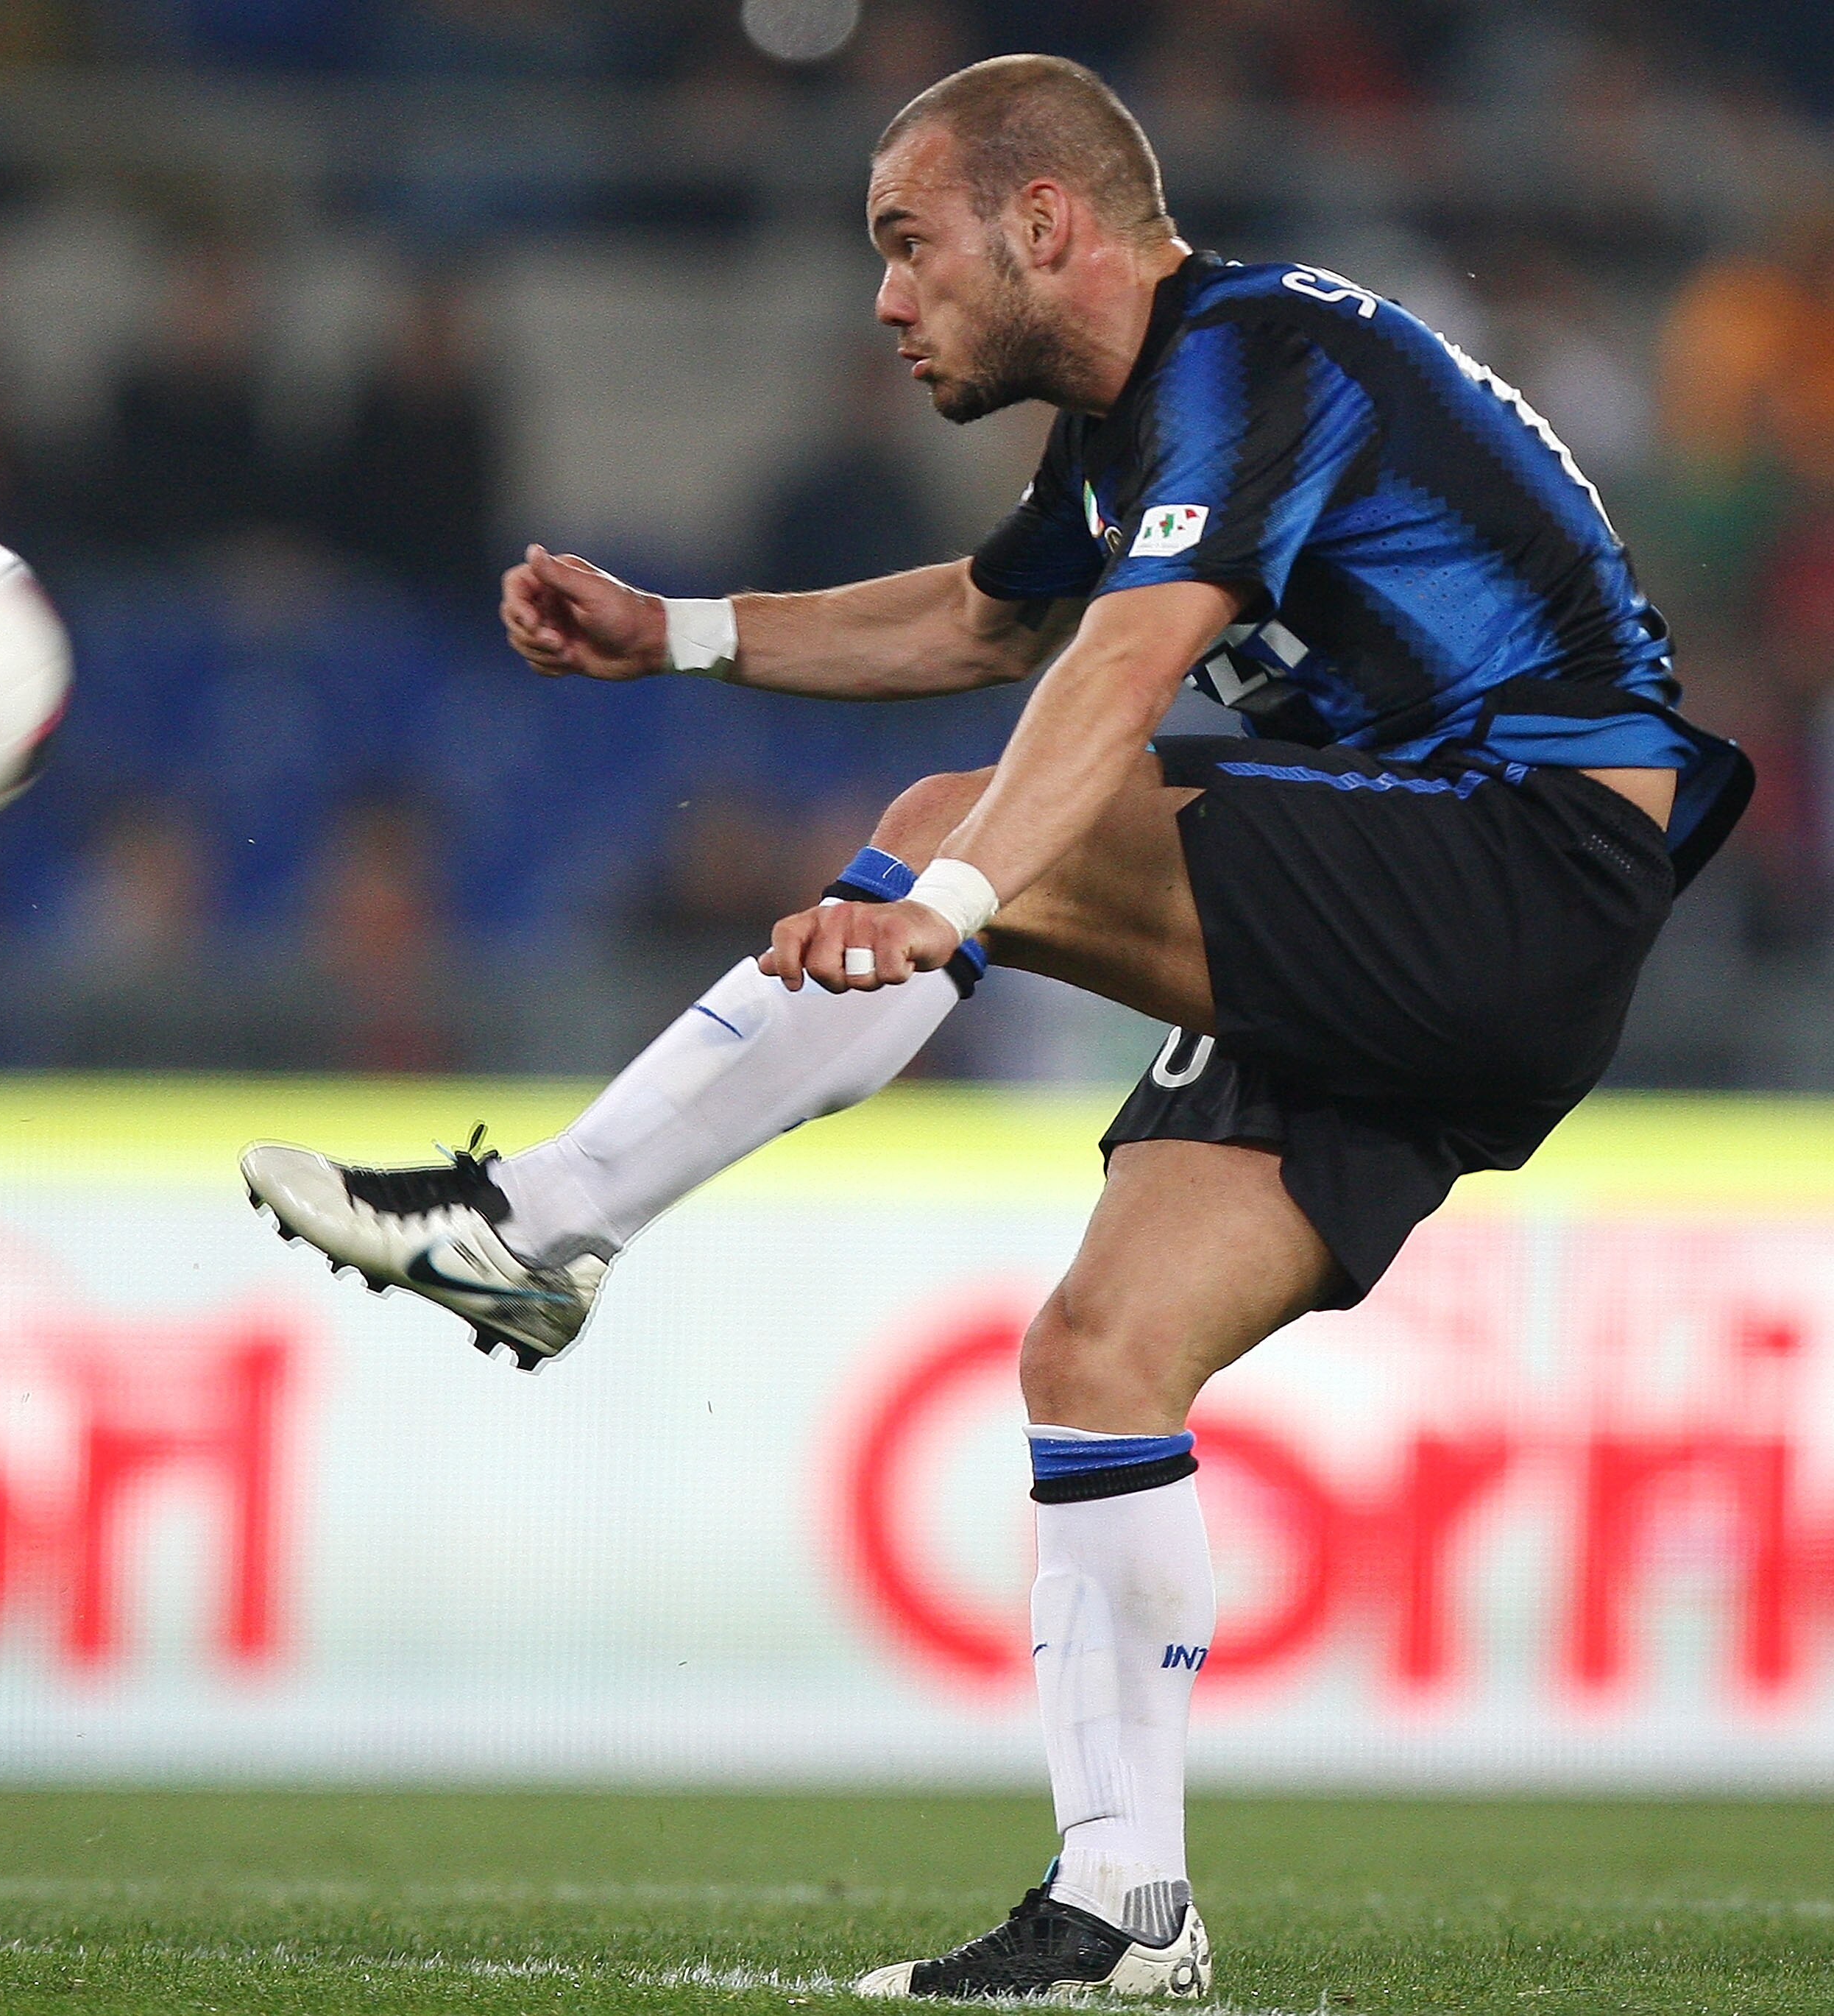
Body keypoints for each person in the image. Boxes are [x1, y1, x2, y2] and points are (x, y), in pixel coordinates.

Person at [241, 53, 1752, 2004]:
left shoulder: (1245, 352)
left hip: (1515, 864)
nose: (885, 297)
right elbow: (986, 616)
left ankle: (538, 1223)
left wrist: (955, 897)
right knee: (1098, 1348)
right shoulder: (1140, 433)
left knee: (947, 825)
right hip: (1432, 912)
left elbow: (1124, 661)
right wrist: (677, 631)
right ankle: (1127, 1908)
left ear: (1044, 224)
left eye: (905, 241)